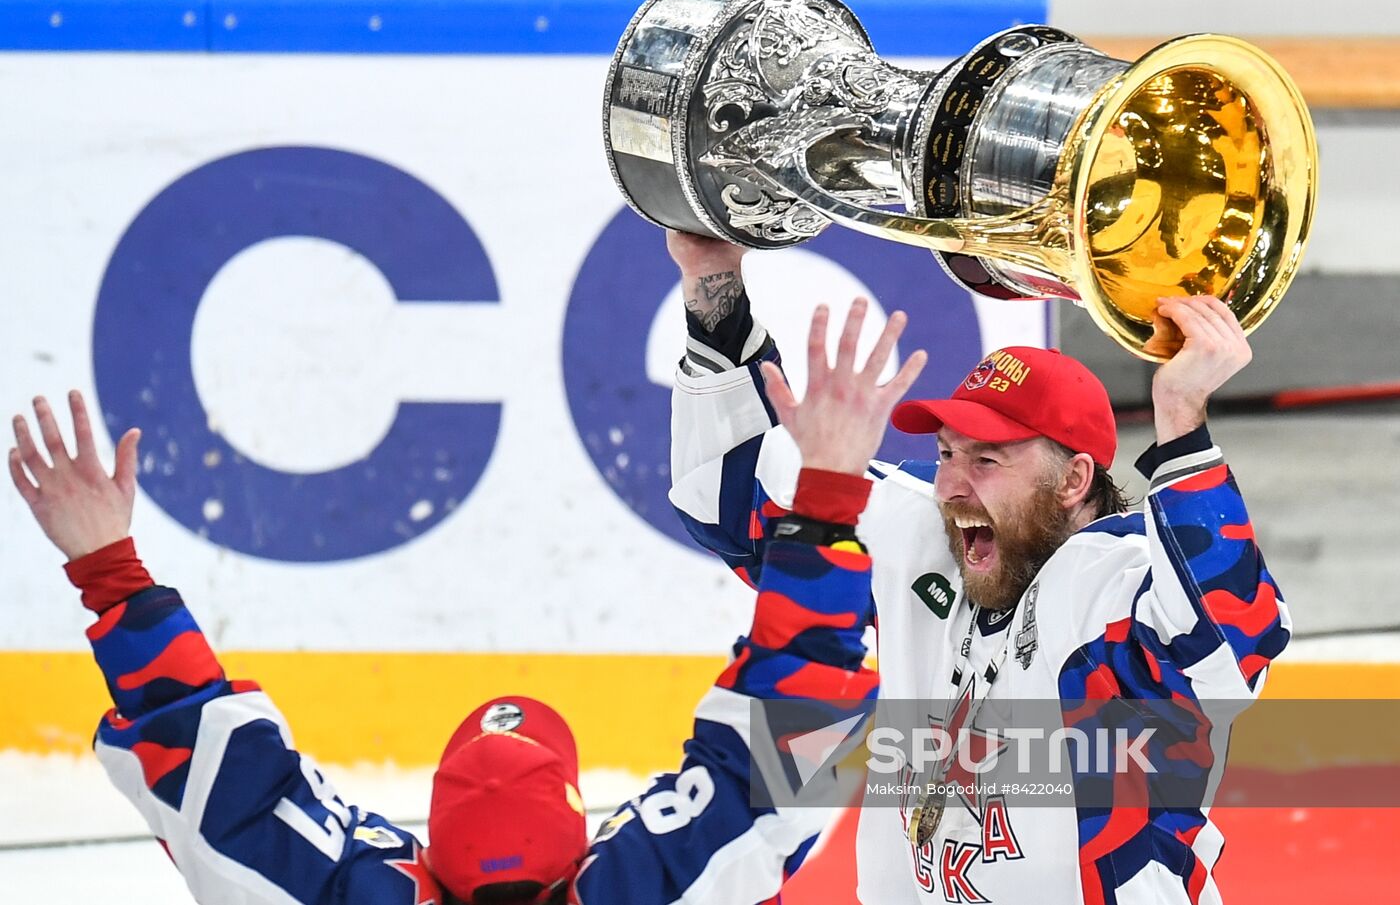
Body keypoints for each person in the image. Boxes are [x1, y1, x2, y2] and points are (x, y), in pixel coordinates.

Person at [7, 305, 922, 905]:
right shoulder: (650, 884)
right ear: (580, 854)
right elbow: (799, 732)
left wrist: (110, 568)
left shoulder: (358, 891)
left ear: (426, 858)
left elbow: (218, 781)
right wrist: (830, 491)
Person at [665, 230, 1291, 905]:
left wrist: (1183, 420)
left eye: (986, 459)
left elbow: (1232, 644)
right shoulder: (923, 538)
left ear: (1075, 478)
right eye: (945, 453)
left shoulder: (1108, 584)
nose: (950, 486)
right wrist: (713, 282)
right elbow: (724, 498)